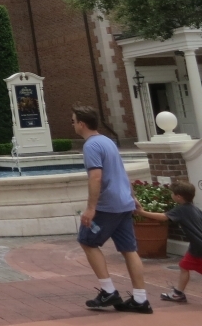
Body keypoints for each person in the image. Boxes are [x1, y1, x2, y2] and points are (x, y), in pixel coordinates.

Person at [72, 104, 151, 314]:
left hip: (108, 205)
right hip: (124, 202)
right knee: (129, 249)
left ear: (81, 123)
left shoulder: (91, 146)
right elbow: (121, 171)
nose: (73, 125)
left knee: (87, 241)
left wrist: (91, 208)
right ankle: (141, 299)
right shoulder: (107, 141)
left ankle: (108, 291)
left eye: (73, 121)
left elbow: (96, 176)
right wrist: (133, 197)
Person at [134, 181, 202, 303]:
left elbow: (164, 217)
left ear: (178, 196)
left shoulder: (181, 209)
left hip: (198, 246)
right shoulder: (195, 209)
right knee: (184, 265)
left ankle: (178, 294)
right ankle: (178, 293)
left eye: (172, 193)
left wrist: (142, 212)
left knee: (185, 266)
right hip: (196, 246)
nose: (171, 195)